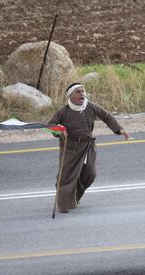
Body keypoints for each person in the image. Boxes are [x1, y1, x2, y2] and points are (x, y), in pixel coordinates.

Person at [48, 83, 129, 213]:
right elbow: (51, 124)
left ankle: (74, 196)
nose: (82, 94)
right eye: (78, 92)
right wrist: (59, 131)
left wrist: (119, 129)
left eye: (83, 91)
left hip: (88, 146)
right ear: (70, 96)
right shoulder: (64, 111)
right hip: (70, 147)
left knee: (90, 174)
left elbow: (106, 116)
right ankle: (63, 204)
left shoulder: (90, 107)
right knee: (67, 176)